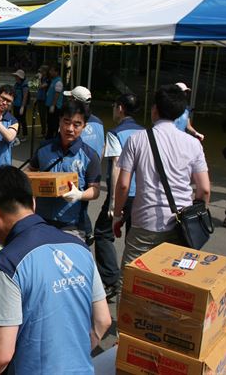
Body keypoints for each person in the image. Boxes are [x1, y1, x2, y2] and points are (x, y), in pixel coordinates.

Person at [0, 166, 111, 375]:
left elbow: (0, 354)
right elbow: (103, 321)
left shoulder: (8, 263)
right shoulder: (80, 248)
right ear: (33, 202)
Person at [113, 84, 210, 281]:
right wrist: (197, 214)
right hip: (180, 225)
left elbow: (123, 184)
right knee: (170, 283)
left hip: (144, 223)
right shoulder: (193, 144)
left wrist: (117, 214)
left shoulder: (137, 140)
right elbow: (205, 189)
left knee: (131, 280)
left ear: (155, 109)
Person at [92, 93, 143, 299]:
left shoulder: (116, 133)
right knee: (134, 238)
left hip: (124, 192)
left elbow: (115, 166)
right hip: (142, 193)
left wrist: (114, 201)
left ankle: (112, 280)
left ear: (120, 108)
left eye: (114, 105)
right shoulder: (145, 132)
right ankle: (135, 283)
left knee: (103, 233)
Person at [28, 100, 101, 241]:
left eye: (76, 124)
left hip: (72, 225)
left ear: (84, 126)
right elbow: (30, 171)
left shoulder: (90, 156)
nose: (70, 128)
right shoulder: (44, 148)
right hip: (40, 220)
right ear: (59, 121)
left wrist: (79, 195)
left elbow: (95, 190)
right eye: (66, 122)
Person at [64, 86, 104, 159]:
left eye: (70, 98)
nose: (68, 100)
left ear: (74, 100)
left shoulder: (69, 123)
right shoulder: (99, 123)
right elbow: (102, 147)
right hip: (94, 166)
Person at [44, 65, 64, 139]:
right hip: (50, 105)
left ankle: (53, 138)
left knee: (54, 123)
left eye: (52, 71)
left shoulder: (58, 82)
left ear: (56, 72)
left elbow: (57, 95)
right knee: (49, 122)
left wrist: (53, 105)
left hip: (55, 107)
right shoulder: (53, 80)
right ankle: (49, 137)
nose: (50, 72)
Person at [11, 69, 29, 142]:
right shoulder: (16, 84)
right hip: (16, 105)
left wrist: (22, 106)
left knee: (22, 120)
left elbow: (25, 97)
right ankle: (16, 134)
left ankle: (25, 135)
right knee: (16, 120)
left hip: (21, 106)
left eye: (16, 76)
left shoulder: (24, 86)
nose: (15, 77)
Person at [36, 65, 50, 137]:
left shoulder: (47, 79)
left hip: (45, 99)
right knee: (41, 116)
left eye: (41, 71)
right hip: (40, 98)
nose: (40, 72)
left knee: (44, 116)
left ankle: (45, 132)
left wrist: (39, 78)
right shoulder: (42, 78)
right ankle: (43, 131)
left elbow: (40, 86)